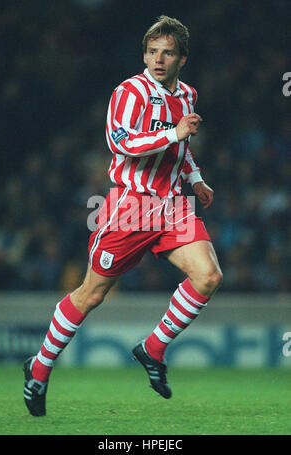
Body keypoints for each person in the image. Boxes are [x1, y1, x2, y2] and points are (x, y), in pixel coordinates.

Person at [23, 15, 223, 417]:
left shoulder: (187, 95)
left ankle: (152, 348)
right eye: (152, 51)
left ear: (182, 58)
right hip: (131, 207)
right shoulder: (128, 92)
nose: (158, 59)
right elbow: (124, 144)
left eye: (167, 52)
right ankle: (39, 367)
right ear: (144, 54)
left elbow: (179, 151)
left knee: (208, 276)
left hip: (171, 207)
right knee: (91, 294)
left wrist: (196, 178)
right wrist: (175, 134)